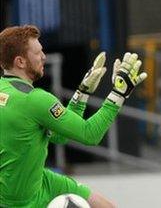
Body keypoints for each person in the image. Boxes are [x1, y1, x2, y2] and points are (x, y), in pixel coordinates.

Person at [0, 25, 147, 208]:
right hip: (18, 200)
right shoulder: (35, 100)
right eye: (38, 53)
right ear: (20, 62)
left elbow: (59, 136)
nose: (44, 57)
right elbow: (90, 134)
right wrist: (119, 93)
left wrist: (81, 93)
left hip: (36, 180)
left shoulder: (7, 91)